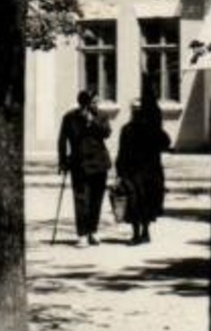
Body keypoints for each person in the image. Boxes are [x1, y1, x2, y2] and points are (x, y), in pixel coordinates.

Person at [58, 90, 113, 247]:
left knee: (96, 200)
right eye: (93, 102)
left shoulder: (101, 116)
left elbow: (107, 133)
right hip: (79, 164)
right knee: (81, 200)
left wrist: (92, 122)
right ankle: (82, 234)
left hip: (99, 164)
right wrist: (62, 161)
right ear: (84, 103)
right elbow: (62, 140)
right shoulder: (70, 117)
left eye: (97, 102)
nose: (96, 105)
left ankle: (93, 231)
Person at [115, 95, 171, 244]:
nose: (137, 112)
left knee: (147, 202)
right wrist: (119, 173)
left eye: (139, 109)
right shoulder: (127, 129)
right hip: (133, 172)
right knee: (134, 203)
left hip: (150, 172)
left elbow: (166, 142)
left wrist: (158, 126)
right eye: (134, 109)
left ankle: (145, 232)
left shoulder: (152, 129)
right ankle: (136, 234)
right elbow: (122, 152)